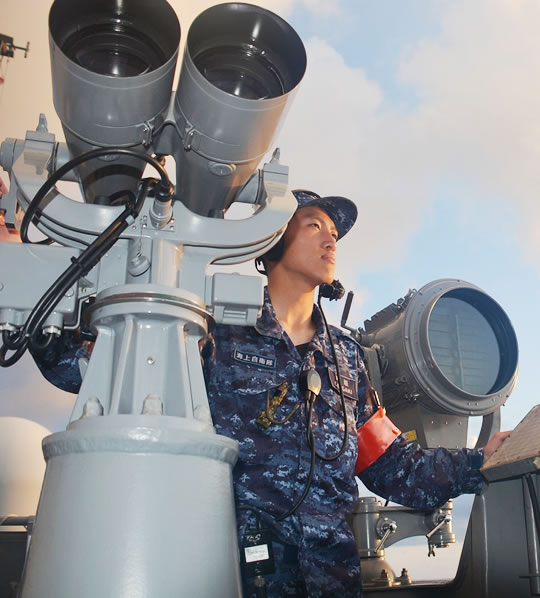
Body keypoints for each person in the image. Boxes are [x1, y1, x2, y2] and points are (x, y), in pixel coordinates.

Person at [23, 189, 510, 597]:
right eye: (314, 225)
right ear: (273, 238)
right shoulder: (215, 333)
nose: (331, 239)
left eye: (334, 233)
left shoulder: (345, 357)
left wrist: (478, 462)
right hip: (233, 575)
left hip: (332, 578)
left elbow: (391, 465)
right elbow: (89, 369)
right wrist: (30, 287)